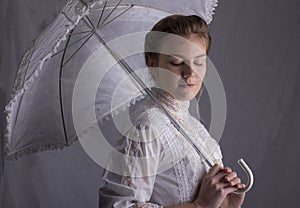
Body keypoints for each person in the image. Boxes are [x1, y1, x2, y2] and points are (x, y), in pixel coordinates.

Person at [99, 14, 246, 208]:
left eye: (199, 62)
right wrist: (199, 206)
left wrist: (227, 203)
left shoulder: (196, 129)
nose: (190, 73)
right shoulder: (147, 129)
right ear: (153, 64)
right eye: (176, 63)